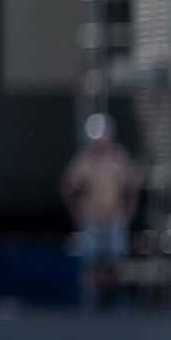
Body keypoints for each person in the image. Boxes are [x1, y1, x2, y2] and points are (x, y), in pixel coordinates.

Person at [61, 116, 141, 310]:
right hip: (92, 218)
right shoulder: (85, 159)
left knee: (115, 262)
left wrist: (129, 213)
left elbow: (133, 185)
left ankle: (112, 302)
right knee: (92, 263)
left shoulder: (118, 157)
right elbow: (68, 186)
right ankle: (91, 304)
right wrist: (77, 213)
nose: (99, 144)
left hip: (115, 218)